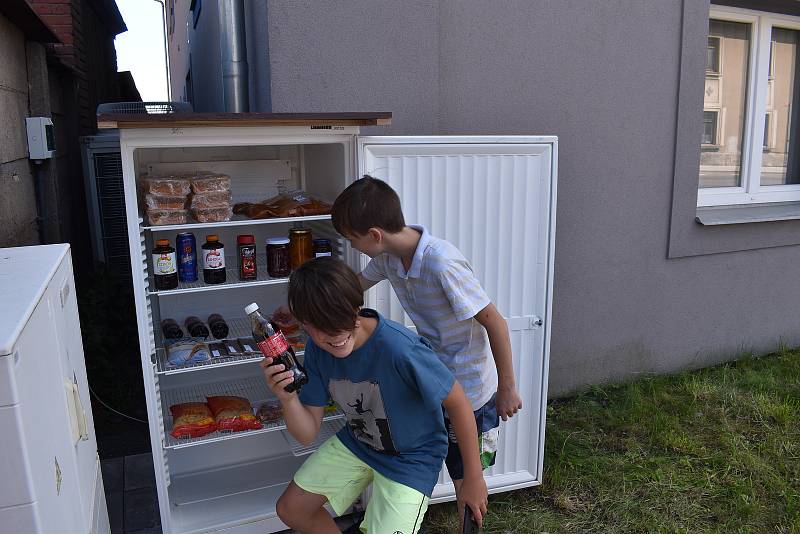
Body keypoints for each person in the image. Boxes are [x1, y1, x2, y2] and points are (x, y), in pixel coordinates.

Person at [331, 176, 523, 518]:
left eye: (352, 239)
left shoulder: (441, 263)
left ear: (374, 235)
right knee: (446, 457)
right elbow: (354, 288)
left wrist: (508, 387)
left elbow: (495, 321)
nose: (352, 246)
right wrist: (314, 304)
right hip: (435, 379)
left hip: (472, 388)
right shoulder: (389, 258)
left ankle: (471, 518)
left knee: (469, 479)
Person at [262, 257, 488, 534]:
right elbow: (307, 432)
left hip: (412, 457)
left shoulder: (400, 348)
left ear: (356, 306)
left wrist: (472, 477)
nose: (334, 336)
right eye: (319, 327)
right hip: (360, 442)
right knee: (291, 508)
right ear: (303, 324)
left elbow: (458, 402)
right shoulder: (317, 351)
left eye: (341, 321)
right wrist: (287, 399)